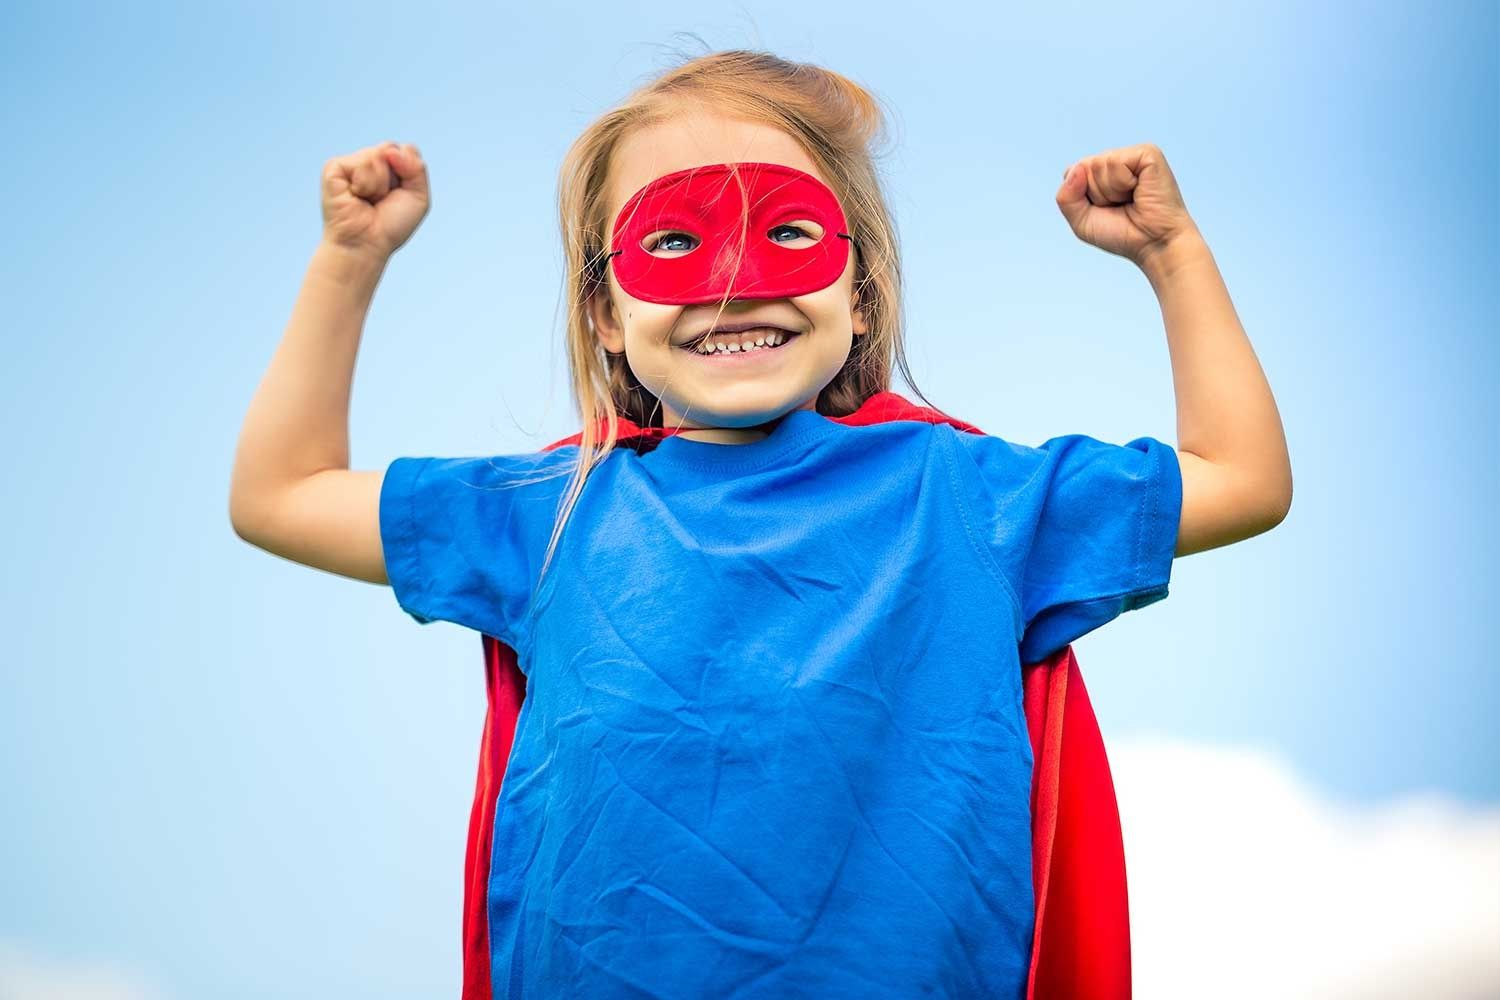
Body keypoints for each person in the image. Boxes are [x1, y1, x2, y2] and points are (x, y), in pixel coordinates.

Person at [229, 49, 1292, 1000]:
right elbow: (278, 496)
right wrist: (347, 261)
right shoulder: (544, 516)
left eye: (784, 231)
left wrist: (1173, 254)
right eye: (676, 240)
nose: (734, 284)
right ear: (606, 314)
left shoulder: (969, 496)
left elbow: (1241, 479)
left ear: (861, 291)